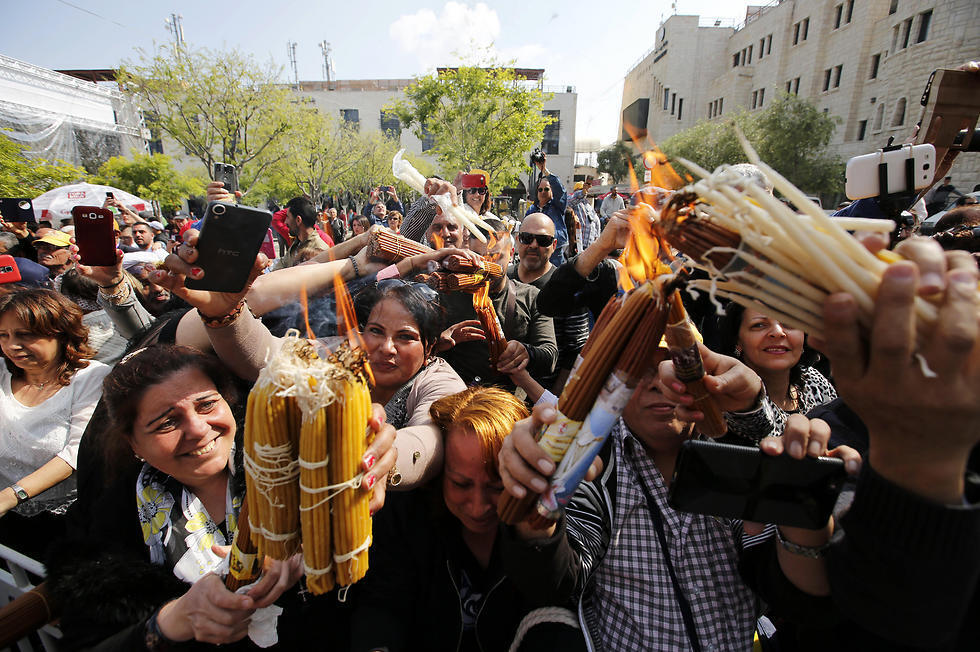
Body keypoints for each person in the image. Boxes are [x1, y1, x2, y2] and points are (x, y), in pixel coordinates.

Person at [497, 346, 859, 651]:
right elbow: (557, 576)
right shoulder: (593, 462)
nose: (656, 383)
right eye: (639, 370)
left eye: (673, 368)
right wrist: (536, 507)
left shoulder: (737, 456)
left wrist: (803, 501)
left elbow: (795, 594)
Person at [45, 344, 393, 650]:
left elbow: (382, 588)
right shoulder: (111, 524)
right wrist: (173, 620)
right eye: (166, 423)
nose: (197, 429)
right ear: (135, 444)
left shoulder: (300, 464)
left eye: (206, 404)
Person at [352, 387, 567, 651]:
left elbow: (559, 588)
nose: (478, 507)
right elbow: (383, 605)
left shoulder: (543, 509)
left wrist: (535, 527)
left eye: (497, 487)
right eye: (461, 484)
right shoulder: (407, 515)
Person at [0, 288, 110, 557]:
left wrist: (11, 496)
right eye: (4, 335)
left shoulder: (90, 378)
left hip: (63, 523)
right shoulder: (1, 371)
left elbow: (75, 454)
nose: (12, 345)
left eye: (25, 335)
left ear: (61, 334)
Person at [441, 218, 557, 388]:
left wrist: (526, 353)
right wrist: (439, 342)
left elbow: (549, 356)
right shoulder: (450, 292)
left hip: (503, 402)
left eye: (495, 257)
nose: (485, 265)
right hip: (453, 393)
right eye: (479, 257)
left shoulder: (531, 297)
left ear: (510, 254)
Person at [718, 304, 836, 441]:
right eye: (759, 325)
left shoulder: (813, 381)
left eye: (789, 323)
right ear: (738, 341)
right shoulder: (732, 396)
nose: (778, 332)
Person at [508, 213, 589, 394]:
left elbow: (576, 349)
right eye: (527, 238)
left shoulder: (567, 286)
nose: (534, 245)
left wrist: (553, 398)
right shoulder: (503, 279)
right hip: (503, 392)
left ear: (553, 246)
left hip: (545, 394)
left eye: (543, 240)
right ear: (517, 240)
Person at [526, 154, 568, 266]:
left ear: (552, 191)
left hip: (554, 253)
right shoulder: (531, 210)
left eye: (546, 189)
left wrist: (544, 170)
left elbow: (560, 191)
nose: (543, 192)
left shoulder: (557, 206)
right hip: (535, 251)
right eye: (540, 189)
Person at [272, 197, 330, 270]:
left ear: (298, 220)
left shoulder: (318, 251)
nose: (285, 222)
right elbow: (283, 264)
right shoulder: (297, 243)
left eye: (287, 217)